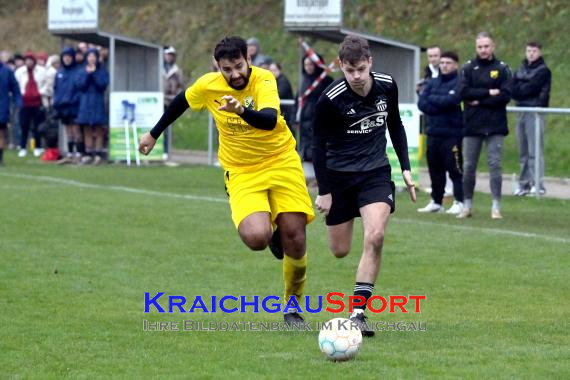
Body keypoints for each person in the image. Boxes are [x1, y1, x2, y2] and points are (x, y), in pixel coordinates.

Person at [138, 36, 315, 325]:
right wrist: (153, 134)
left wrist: (241, 111)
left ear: (248, 59)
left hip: (281, 160)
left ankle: (292, 307)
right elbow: (181, 101)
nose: (234, 74)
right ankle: (272, 236)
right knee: (256, 238)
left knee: (295, 237)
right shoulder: (209, 85)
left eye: (238, 66)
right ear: (216, 66)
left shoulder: (264, 79)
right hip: (242, 170)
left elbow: (270, 120)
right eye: (226, 69)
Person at [313, 35, 416, 336]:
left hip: (375, 173)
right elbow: (318, 146)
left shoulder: (387, 85)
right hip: (338, 176)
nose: (356, 77)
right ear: (341, 66)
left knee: (376, 236)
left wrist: (406, 169)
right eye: (349, 70)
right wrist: (324, 191)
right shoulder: (329, 99)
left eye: (360, 69)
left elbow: (395, 124)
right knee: (339, 250)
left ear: (370, 62)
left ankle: (358, 313)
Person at [458, 32, 511, 219]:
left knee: (495, 164)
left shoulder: (502, 68)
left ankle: (496, 206)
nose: (483, 50)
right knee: (469, 166)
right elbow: (464, 92)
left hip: (495, 125)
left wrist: (479, 100)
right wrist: (489, 92)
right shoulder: (467, 68)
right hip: (472, 125)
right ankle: (467, 205)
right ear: (476, 48)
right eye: (480, 47)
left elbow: (505, 95)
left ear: (493, 47)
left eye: (486, 46)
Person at [417, 51, 464, 214]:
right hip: (433, 132)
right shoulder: (432, 82)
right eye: (442, 62)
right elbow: (422, 102)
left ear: (455, 65)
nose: (444, 65)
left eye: (448, 62)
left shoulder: (459, 82)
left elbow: (451, 101)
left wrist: (434, 101)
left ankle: (459, 201)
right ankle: (437, 201)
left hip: (451, 133)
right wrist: (438, 103)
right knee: (434, 169)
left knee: (454, 168)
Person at [511, 41, 551, 196]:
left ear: (539, 52)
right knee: (523, 150)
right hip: (520, 109)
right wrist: (519, 90)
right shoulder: (520, 68)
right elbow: (512, 87)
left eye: (534, 51)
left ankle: (538, 183)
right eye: (528, 51)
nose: (531, 54)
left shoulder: (543, 70)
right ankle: (524, 184)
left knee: (535, 149)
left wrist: (520, 89)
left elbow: (532, 88)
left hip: (535, 111)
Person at [297, 54, 333, 180]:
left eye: (311, 64)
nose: (308, 67)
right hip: (305, 121)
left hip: (319, 119)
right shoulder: (304, 80)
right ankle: (310, 178)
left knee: (319, 147)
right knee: (307, 149)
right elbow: (299, 99)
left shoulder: (326, 80)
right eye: (306, 64)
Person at [75, 48, 109, 165]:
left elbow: (102, 85)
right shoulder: (81, 71)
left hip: (98, 101)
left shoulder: (102, 70)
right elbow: (80, 85)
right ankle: (88, 153)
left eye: (93, 56)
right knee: (86, 128)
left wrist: (94, 74)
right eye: (89, 56)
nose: (91, 58)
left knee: (99, 128)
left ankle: (98, 153)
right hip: (85, 102)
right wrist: (88, 75)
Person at [15, 51, 47, 157]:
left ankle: (37, 147)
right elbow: (16, 86)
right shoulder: (20, 72)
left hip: (37, 102)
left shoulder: (41, 71)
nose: (29, 62)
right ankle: (23, 146)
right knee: (24, 125)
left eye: (30, 60)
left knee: (37, 126)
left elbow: (46, 84)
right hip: (24, 103)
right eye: (27, 60)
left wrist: (40, 92)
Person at [54, 47, 81, 163]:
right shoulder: (60, 72)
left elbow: (79, 89)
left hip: (74, 105)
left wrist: (73, 100)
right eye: (65, 57)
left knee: (76, 130)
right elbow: (56, 89)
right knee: (68, 130)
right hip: (63, 107)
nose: (67, 59)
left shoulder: (78, 71)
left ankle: (79, 152)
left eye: (69, 57)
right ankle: (70, 153)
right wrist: (57, 102)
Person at [163, 46, 184, 157]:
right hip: (159, 100)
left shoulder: (176, 70)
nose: (169, 57)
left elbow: (181, 85)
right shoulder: (159, 68)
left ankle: (166, 150)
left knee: (167, 126)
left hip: (171, 101)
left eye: (171, 55)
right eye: (167, 54)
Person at [0, 57, 22, 165]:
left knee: (1, 132)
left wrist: (18, 102)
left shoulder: (6, 71)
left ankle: (0, 158)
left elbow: (15, 88)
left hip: (2, 107)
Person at [268, 62, 295, 133]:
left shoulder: (283, 81)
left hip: (287, 113)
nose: (272, 72)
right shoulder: (274, 81)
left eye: (275, 70)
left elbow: (279, 93)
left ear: (280, 70)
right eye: (271, 70)